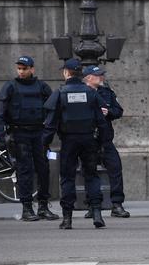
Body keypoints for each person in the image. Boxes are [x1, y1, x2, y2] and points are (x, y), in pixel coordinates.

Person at [42, 58, 109, 229]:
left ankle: (67, 218)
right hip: (88, 139)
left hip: (69, 140)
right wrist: (102, 142)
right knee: (92, 175)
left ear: (66, 72)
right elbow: (101, 120)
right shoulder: (91, 93)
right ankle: (96, 213)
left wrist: (44, 144)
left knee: (67, 177)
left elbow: (50, 123)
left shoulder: (60, 93)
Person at [0, 56, 59, 221]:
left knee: (43, 169)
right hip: (19, 134)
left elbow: (53, 110)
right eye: (19, 68)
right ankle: (27, 208)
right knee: (25, 171)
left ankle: (43, 206)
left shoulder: (41, 87)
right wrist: (0, 140)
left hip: (38, 134)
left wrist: (48, 132)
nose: (21, 72)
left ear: (32, 69)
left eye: (24, 68)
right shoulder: (10, 87)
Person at [82, 65, 130, 218]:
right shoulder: (80, 93)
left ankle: (117, 205)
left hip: (105, 140)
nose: (101, 77)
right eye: (98, 75)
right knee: (89, 172)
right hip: (88, 140)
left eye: (101, 75)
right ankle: (92, 206)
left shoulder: (107, 92)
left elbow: (118, 111)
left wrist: (108, 112)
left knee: (115, 170)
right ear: (88, 77)